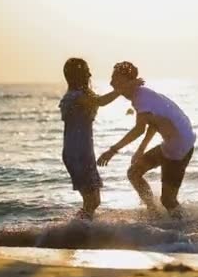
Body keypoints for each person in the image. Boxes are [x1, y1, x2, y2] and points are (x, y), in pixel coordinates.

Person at [97, 62, 196, 219]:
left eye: (115, 78)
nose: (111, 83)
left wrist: (112, 150)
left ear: (126, 81)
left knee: (168, 200)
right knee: (134, 172)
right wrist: (141, 149)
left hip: (179, 147)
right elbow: (154, 124)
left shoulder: (141, 97)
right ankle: (154, 213)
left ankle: (183, 229)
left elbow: (139, 129)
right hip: (173, 144)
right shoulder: (142, 95)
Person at [59, 58, 142, 220]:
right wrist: (125, 87)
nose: (90, 74)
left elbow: (98, 101)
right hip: (77, 153)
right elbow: (101, 102)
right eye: (86, 71)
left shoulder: (81, 95)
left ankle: (79, 230)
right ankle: (76, 231)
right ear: (77, 75)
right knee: (93, 201)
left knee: (92, 201)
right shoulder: (75, 97)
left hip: (82, 152)